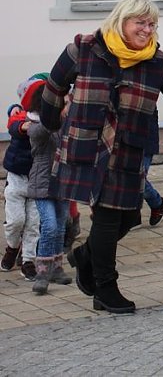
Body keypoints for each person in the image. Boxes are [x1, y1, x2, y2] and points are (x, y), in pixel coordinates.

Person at [40, 0, 163, 314]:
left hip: (129, 148)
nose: (147, 29)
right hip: (89, 146)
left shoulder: (156, 62)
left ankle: (85, 256)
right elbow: (53, 86)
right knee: (106, 217)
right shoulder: (85, 48)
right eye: (140, 22)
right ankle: (105, 289)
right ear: (121, 20)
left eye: (152, 24)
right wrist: (52, 123)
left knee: (131, 216)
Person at [24, 82, 73, 295]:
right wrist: (59, 113)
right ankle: (42, 272)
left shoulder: (64, 122)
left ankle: (56, 268)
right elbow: (45, 130)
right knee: (50, 226)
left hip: (62, 180)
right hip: (42, 183)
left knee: (61, 226)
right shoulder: (35, 124)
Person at [1, 77, 43, 280]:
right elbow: (14, 125)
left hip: (37, 182)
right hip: (17, 179)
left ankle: (28, 261)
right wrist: (25, 126)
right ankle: (12, 247)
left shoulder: (51, 122)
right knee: (16, 221)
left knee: (33, 224)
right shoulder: (21, 116)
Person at [141, 111, 163, 227]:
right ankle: (133, 216)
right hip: (126, 142)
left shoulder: (145, 96)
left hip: (144, 143)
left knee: (138, 180)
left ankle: (157, 203)